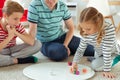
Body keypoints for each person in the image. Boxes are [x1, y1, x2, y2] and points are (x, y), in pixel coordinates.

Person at [27, 0, 94, 61]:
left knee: (92, 50)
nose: (50, 1)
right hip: (45, 42)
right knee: (59, 53)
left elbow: (71, 28)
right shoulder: (34, 5)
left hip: (62, 37)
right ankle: (67, 50)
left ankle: (67, 49)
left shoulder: (62, 6)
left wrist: (65, 45)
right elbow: (32, 32)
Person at [70, 7, 120, 78]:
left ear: (97, 24)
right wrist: (74, 63)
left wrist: (107, 70)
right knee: (96, 59)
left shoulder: (109, 29)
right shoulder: (85, 31)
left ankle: (117, 57)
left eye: (88, 29)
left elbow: (107, 51)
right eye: (83, 28)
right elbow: (81, 49)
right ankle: (97, 59)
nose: (85, 32)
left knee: (95, 66)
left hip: (112, 52)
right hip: (99, 52)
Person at [0, 0, 41, 67]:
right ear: (5, 15)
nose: (18, 22)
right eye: (15, 19)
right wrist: (10, 37)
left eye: (19, 19)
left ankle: (9, 59)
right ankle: (20, 60)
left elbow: (31, 42)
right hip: (1, 51)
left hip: (14, 49)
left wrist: (16, 32)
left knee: (37, 44)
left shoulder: (17, 25)